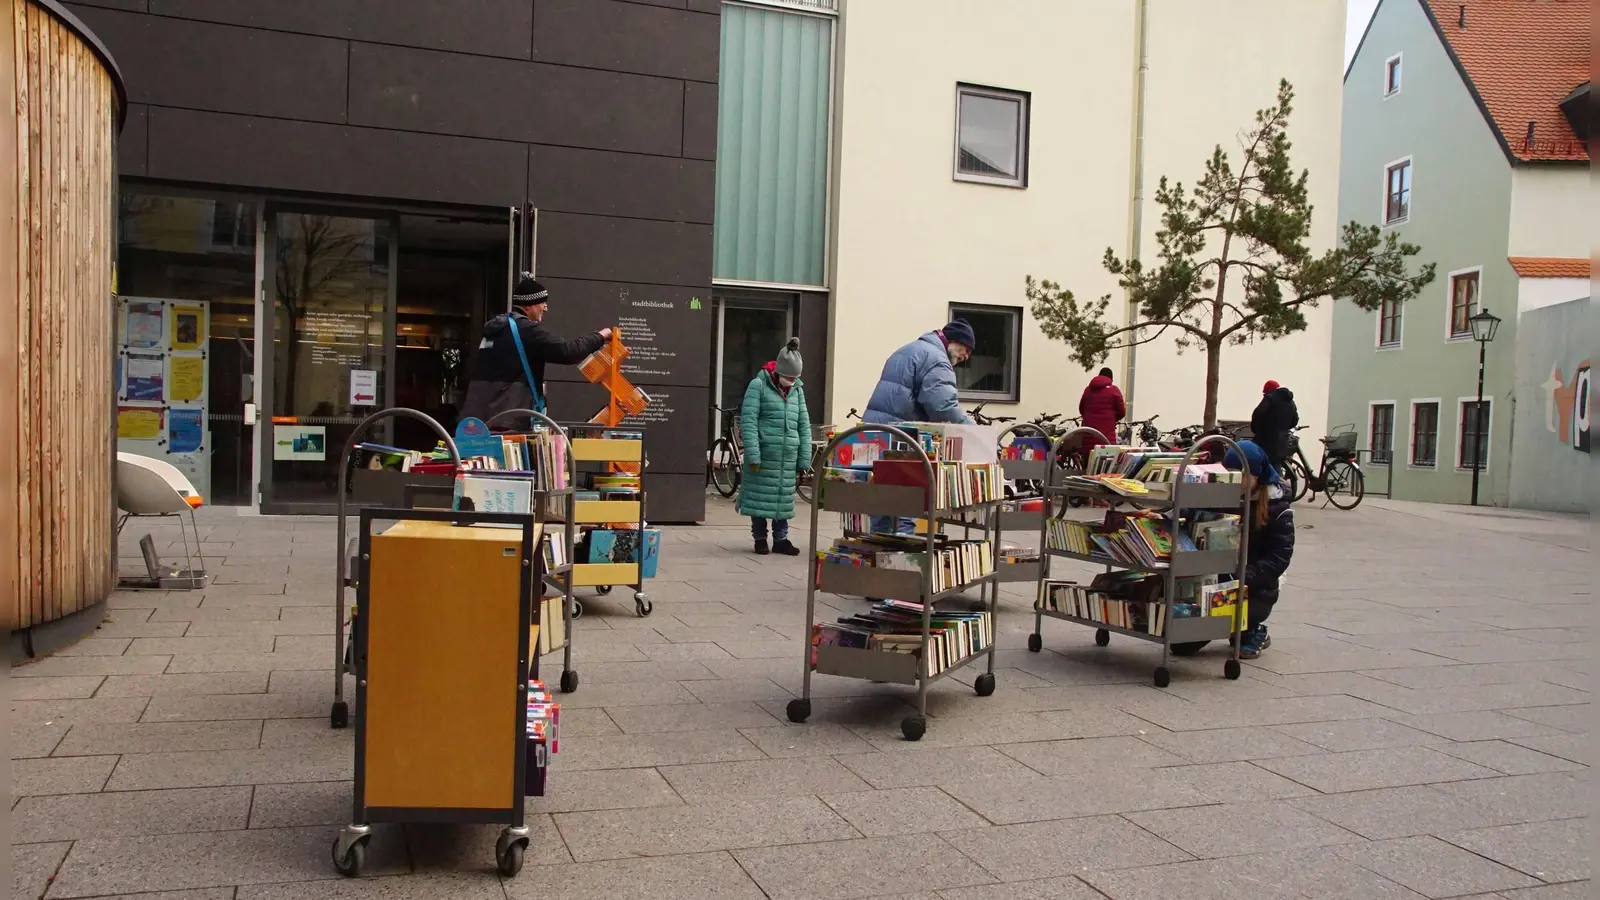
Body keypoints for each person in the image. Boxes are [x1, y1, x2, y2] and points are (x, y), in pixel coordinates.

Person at [1170, 439, 1294, 660]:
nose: (1237, 482)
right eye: (1231, 474)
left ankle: (1253, 630)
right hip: (1216, 580)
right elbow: (1192, 510)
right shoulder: (1223, 494)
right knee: (1180, 647)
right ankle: (1232, 627)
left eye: (1242, 475)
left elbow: (1279, 556)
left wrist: (1246, 576)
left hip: (1254, 585)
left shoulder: (1278, 508)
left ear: (1257, 475)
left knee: (1242, 632)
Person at [862, 320, 976, 534]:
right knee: (907, 503)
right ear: (953, 342)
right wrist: (973, 429)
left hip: (877, 433)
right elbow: (942, 407)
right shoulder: (938, 360)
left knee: (881, 502)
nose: (966, 356)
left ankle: (877, 555)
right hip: (901, 440)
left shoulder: (909, 349)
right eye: (966, 349)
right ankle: (902, 558)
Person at [461, 274, 613, 428]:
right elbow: (568, 351)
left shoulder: (495, 330)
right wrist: (600, 336)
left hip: (475, 420)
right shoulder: (527, 330)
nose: (545, 308)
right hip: (506, 420)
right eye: (542, 303)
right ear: (528, 306)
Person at [736, 338, 811, 556]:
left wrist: (804, 458)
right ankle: (760, 538)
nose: (793, 380)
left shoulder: (797, 390)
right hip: (764, 453)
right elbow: (748, 421)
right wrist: (753, 453)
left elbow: (803, 424)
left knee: (783, 499)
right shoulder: (758, 385)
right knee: (759, 498)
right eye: (789, 376)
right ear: (778, 371)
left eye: (796, 377)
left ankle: (781, 539)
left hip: (787, 456)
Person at [1251, 380, 1299, 470]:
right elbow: (1295, 420)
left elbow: (1257, 415)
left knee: (1262, 468)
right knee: (1277, 468)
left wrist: (1256, 429)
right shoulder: (1290, 402)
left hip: (1266, 441)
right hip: (1282, 442)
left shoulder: (1269, 399)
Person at [1078, 366, 1126, 449]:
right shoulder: (1113, 390)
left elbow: (1081, 408)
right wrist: (1113, 419)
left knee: (1087, 459)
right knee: (1106, 459)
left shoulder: (1088, 390)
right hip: (1106, 436)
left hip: (1088, 434)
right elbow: (1122, 412)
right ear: (1111, 379)